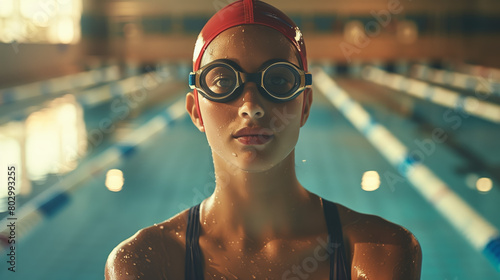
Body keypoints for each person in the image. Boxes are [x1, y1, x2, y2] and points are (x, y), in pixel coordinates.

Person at [105, 0, 422, 279]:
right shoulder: (144, 263)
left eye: (279, 80)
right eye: (224, 81)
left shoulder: (378, 251)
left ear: (305, 107)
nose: (251, 107)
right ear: (195, 111)